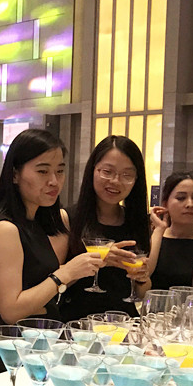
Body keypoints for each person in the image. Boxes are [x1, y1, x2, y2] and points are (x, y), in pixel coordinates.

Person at [0, 129, 102, 324]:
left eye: (60, 171)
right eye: (42, 171)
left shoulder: (35, 222)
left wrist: (85, 265)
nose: (54, 181)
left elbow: (41, 287)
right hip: (19, 340)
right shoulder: (5, 229)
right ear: (15, 175)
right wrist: (65, 273)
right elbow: (11, 311)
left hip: (43, 336)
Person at [63, 135, 151, 320]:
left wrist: (142, 279)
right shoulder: (68, 218)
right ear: (93, 170)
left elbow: (141, 294)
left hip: (123, 325)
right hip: (77, 325)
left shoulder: (137, 222)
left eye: (127, 175)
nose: (116, 181)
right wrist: (97, 260)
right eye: (107, 171)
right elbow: (54, 282)